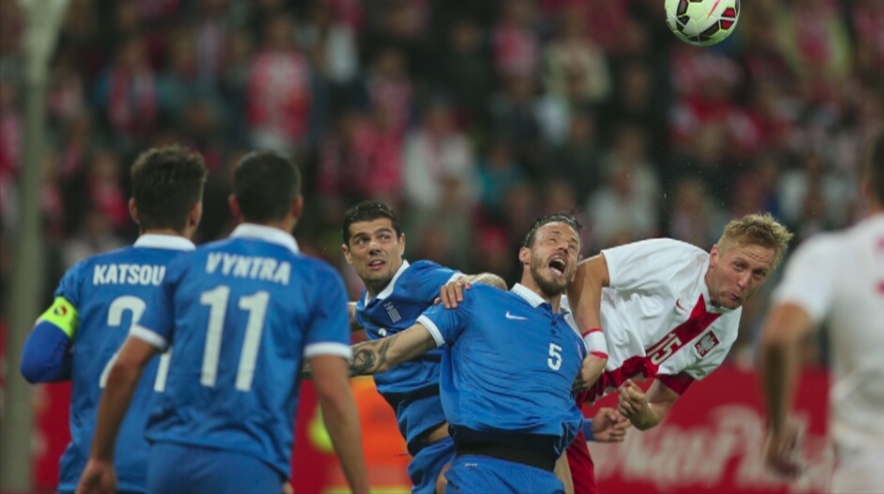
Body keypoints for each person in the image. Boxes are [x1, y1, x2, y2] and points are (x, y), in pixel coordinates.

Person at [77, 151, 369, 494]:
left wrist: (101, 457)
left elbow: (125, 366)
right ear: (297, 207)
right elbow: (334, 393)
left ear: (235, 206)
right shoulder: (316, 280)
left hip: (169, 461)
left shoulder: (188, 267)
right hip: (247, 462)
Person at [760, 123, 884, 493]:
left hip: (871, 474)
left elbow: (779, 336)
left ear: (866, 188)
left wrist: (778, 425)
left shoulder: (834, 253)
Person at [347, 213, 587, 493]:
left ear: (573, 271)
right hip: (475, 472)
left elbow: (556, 441)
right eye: (553, 239)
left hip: (542, 481)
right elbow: (385, 352)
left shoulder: (574, 345)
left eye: (573, 246)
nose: (564, 248)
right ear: (524, 253)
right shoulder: (472, 299)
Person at [20, 145, 207, 494]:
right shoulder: (213, 282)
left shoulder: (87, 275)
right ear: (195, 212)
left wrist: (95, 354)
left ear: (134, 209)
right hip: (175, 477)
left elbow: (35, 362)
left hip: (89, 477)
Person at [565, 212, 793, 494]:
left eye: (758, 274)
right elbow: (586, 274)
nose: (745, 281)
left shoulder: (724, 336)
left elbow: (659, 407)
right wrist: (597, 349)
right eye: (739, 266)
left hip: (572, 397)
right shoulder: (675, 260)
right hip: (559, 347)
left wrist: (640, 413)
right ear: (715, 255)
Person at [340, 199, 507, 494]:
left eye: (384, 236)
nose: (374, 247)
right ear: (349, 254)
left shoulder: (417, 279)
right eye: (362, 240)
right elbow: (352, 312)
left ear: (401, 244)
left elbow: (493, 286)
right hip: (427, 457)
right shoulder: (372, 305)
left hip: (460, 448)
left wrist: (474, 282)